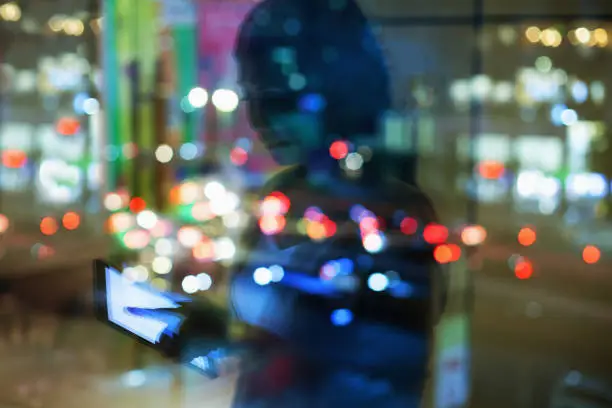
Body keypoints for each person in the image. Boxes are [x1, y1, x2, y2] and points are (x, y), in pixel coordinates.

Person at [130, 0, 445, 406]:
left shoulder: (390, 217)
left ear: (337, 89)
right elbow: (248, 347)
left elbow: (369, 368)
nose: (262, 119)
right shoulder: (280, 199)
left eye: (281, 99)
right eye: (253, 95)